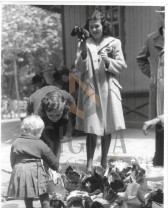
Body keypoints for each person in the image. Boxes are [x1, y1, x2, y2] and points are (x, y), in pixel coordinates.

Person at [74, 10, 127, 172]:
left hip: (109, 90)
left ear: (103, 26)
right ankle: (89, 163)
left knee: (107, 127)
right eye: (91, 27)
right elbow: (79, 68)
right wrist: (83, 50)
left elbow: (121, 66)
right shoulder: (84, 42)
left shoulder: (114, 42)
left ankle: (103, 161)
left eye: (97, 26)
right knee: (91, 128)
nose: (94, 29)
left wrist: (106, 59)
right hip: (90, 88)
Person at [7, 115, 59, 208]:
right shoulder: (39, 143)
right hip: (34, 170)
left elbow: (12, 157)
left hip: (19, 169)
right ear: (37, 132)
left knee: (28, 190)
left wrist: (15, 169)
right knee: (43, 189)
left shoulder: (16, 142)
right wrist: (57, 167)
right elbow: (49, 156)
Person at [136, 7, 164, 166]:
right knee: (160, 123)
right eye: (164, 15)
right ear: (161, 17)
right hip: (160, 88)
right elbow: (141, 59)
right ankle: (160, 157)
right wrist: (154, 75)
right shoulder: (151, 38)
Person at [27, 88, 74, 169]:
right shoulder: (39, 113)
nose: (55, 118)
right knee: (45, 142)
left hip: (58, 101)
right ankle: (44, 168)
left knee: (57, 139)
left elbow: (68, 121)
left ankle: (54, 167)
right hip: (36, 104)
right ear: (45, 112)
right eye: (51, 115)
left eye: (57, 115)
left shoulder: (67, 101)